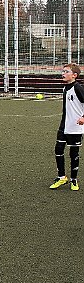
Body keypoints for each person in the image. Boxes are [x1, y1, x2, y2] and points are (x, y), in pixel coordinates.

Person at [50, 63, 84, 191]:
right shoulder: (65, 88)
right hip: (64, 125)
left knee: (73, 153)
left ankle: (73, 180)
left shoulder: (78, 88)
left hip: (75, 127)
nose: (63, 74)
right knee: (58, 150)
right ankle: (61, 177)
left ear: (74, 75)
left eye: (66, 71)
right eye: (63, 71)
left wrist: (83, 117)